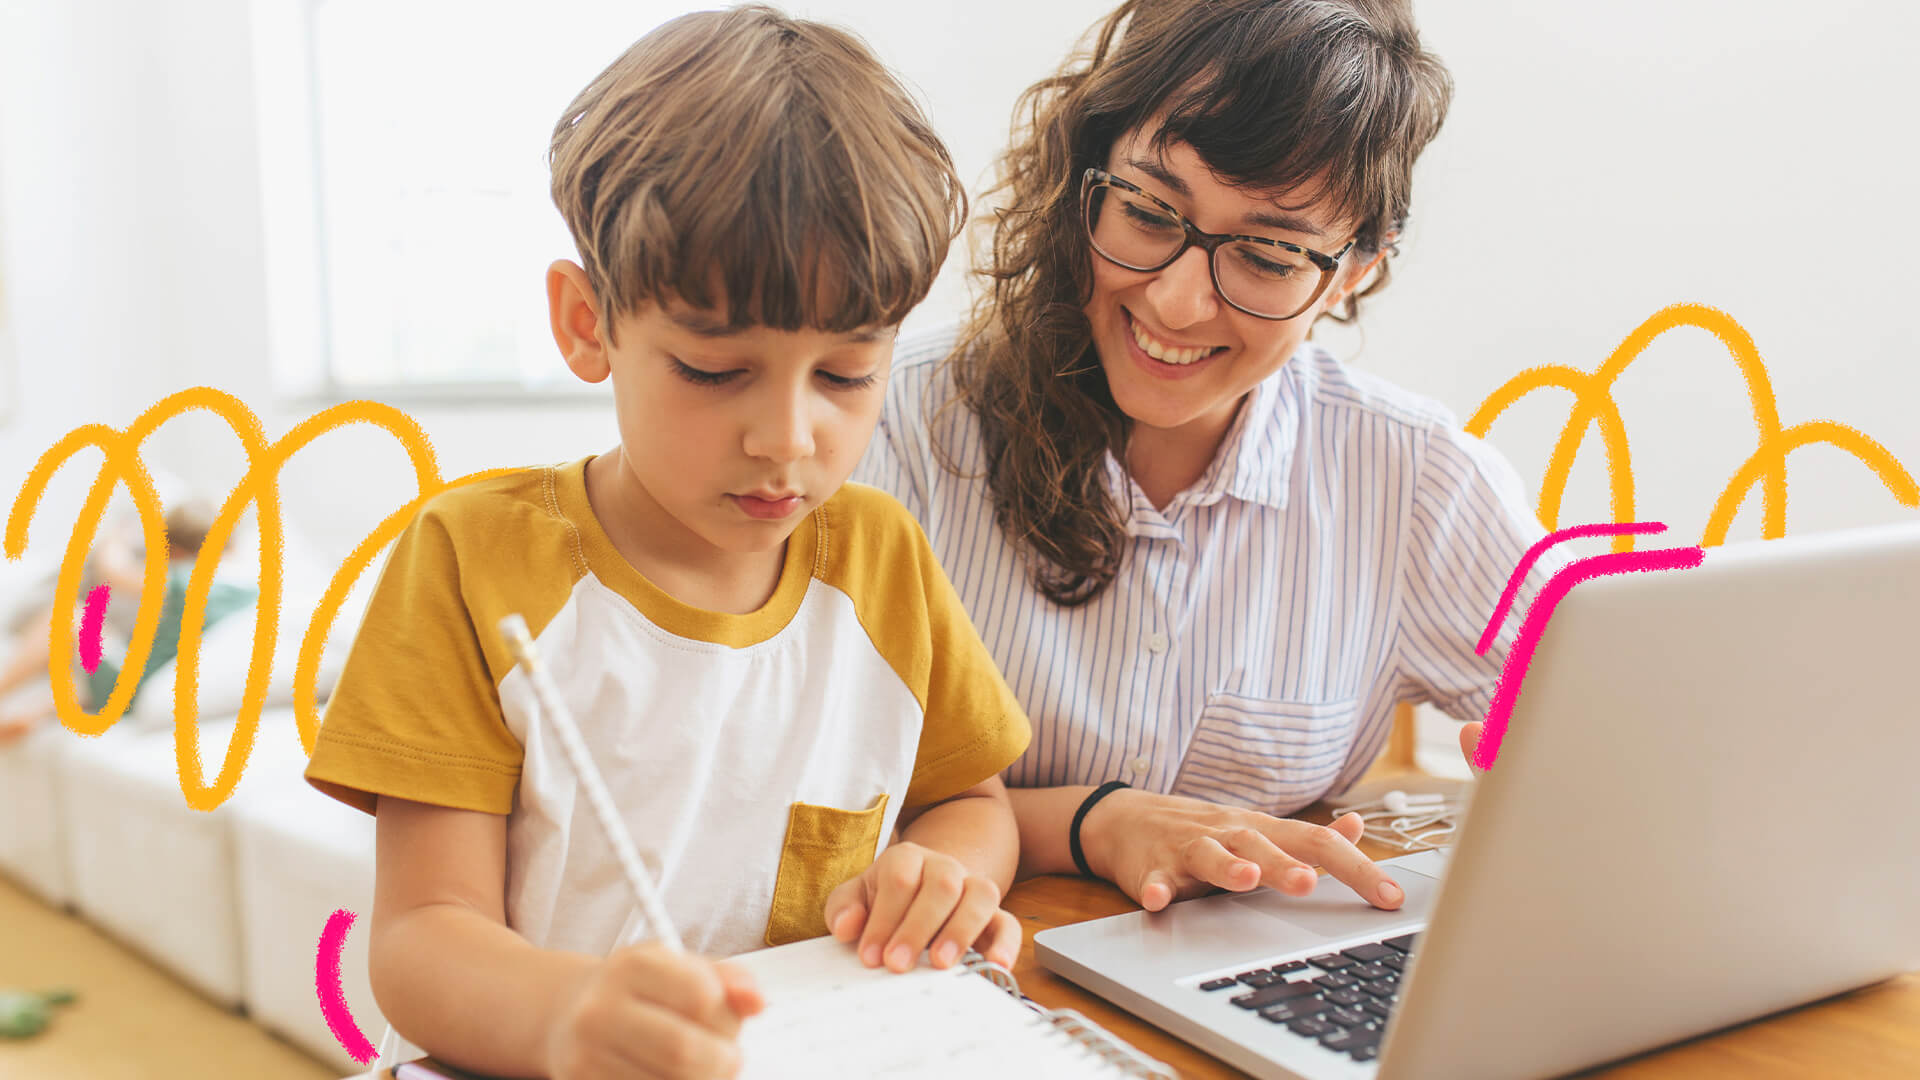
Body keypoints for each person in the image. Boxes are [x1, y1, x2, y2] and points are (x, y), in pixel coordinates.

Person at [301, 8, 1030, 1080]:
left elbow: (971, 800)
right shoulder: (470, 561)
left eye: (845, 375)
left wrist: (942, 869)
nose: (787, 438)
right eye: (712, 369)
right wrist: (570, 1018)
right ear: (588, 322)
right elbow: (418, 939)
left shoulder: (883, 559)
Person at [854, 0, 1559, 916]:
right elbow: (804, 811)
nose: (1181, 302)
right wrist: (1097, 823)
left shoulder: (1414, 478)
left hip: (1247, 988)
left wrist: (1563, 758)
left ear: (1356, 270)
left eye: (1267, 257)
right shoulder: (894, 424)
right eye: (1148, 212)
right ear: (1084, 179)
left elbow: (1629, 726)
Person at [0, 500, 255, 742]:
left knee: (70, 615)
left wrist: (117, 533)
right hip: (152, 683)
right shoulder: (246, 590)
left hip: (131, 684)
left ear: (174, 551)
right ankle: (35, 713)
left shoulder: (191, 578)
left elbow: (112, 570)